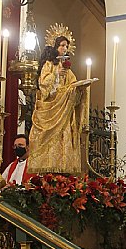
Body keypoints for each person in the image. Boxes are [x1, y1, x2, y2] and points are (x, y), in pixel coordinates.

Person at [28, 35, 90, 175]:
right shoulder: (49, 65)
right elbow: (43, 85)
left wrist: (80, 89)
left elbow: (72, 86)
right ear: (55, 46)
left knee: (64, 137)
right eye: (62, 45)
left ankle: (63, 170)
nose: (65, 48)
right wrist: (56, 73)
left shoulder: (69, 72)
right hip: (51, 110)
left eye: (67, 46)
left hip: (64, 112)